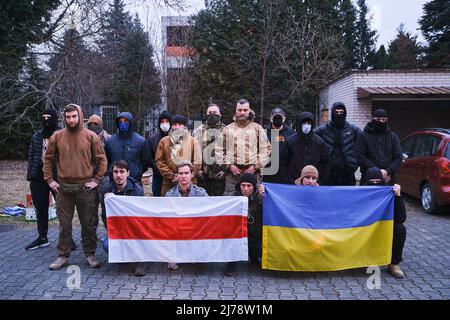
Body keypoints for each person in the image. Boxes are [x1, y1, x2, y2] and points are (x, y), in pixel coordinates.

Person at [43, 103, 107, 270]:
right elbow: (48, 159)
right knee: (64, 224)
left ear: (80, 116)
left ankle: (90, 253)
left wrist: (97, 180)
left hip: (85, 188)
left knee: (88, 223)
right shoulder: (57, 136)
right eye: (68, 117)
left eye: (74, 116)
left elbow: (101, 159)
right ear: (64, 118)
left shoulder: (91, 136)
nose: (71, 120)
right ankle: (62, 255)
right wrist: (50, 180)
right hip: (64, 188)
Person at [25, 108, 78, 251]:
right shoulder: (37, 136)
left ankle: (68, 239)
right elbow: (32, 156)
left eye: (49, 117)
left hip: (58, 177)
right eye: (44, 117)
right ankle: (42, 237)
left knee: (63, 209)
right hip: (38, 177)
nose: (46, 120)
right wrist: (31, 175)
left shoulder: (63, 135)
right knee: (40, 208)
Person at [215, 99, 271, 195]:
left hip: (252, 173)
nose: (242, 113)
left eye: (245, 110)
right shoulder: (227, 129)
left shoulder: (257, 128)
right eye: (239, 110)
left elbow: (266, 149)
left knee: (254, 201)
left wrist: (255, 166)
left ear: (249, 111)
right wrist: (229, 165)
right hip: (232, 174)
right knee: (231, 201)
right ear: (236, 111)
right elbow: (218, 150)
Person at [101, 160, 145, 276]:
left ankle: (139, 262)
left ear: (128, 173)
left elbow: (139, 215)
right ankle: (123, 257)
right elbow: (105, 216)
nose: (118, 175)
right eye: (115, 172)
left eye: (122, 172)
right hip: (117, 229)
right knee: (106, 245)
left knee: (139, 241)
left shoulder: (137, 190)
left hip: (135, 229)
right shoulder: (106, 190)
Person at [165, 160, 208, 270]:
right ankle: (174, 257)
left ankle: (196, 254)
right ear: (177, 175)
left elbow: (208, 216)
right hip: (177, 229)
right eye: (181, 173)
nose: (183, 176)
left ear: (192, 174)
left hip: (195, 228)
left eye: (186, 173)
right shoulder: (169, 195)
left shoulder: (201, 194)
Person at [364, 167, 406, 279]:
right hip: (364, 228)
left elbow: (401, 218)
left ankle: (394, 263)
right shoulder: (360, 194)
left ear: (382, 181)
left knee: (400, 229)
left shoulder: (389, 193)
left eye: (377, 182)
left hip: (383, 226)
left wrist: (398, 197)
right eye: (371, 182)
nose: (374, 185)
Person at [225, 173, 264, 276]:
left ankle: (254, 258)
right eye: (243, 185)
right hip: (236, 235)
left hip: (254, 235)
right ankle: (232, 263)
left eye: (249, 186)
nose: (246, 189)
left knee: (258, 246)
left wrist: (262, 197)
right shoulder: (231, 197)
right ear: (239, 185)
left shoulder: (259, 197)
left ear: (254, 186)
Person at [315, 102, 361, 185]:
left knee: (347, 197)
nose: (339, 114)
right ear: (333, 112)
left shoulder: (354, 130)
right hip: (328, 173)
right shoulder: (322, 130)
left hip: (347, 172)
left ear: (345, 113)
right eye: (336, 112)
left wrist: (354, 163)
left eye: (341, 112)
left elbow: (361, 149)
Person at [155, 114, 202, 196]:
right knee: (168, 207)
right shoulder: (164, 141)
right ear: (171, 126)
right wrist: (172, 176)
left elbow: (197, 162)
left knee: (190, 207)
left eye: (180, 124)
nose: (177, 127)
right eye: (174, 124)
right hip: (169, 183)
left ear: (184, 126)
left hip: (190, 183)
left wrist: (187, 175)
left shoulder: (193, 141)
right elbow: (159, 161)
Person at [280, 111, 330, 185]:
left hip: (314, 184)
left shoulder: (319, 142)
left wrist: (320, 182)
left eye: (309, 123)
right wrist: (289, 181)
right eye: (304, 123)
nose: (306, 126)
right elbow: (282, 163)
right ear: (299, 124)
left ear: (312, 125)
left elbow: (326, 163)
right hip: (294, 184)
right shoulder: (290, 142)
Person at [355, 109, 402, 185]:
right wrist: (377, 172)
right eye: (377, 119)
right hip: (369, 178)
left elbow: (398, 157)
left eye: (383, 120)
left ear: (387, 120)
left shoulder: (393, 136)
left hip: (389, 178)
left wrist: (388, 171)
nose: (380, 122)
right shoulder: (363, 135)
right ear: (372, 119)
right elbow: (359, 156)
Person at [104, 112, 150, 184]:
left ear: (130, 123)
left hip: (134, 182)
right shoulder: (110, 142)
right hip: (114, 183)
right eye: (121, 122)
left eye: (126, 121)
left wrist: (137, 172)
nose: (123, 124)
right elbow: (107, 161)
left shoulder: (141, 141)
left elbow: (146, 162)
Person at [193, 104, 227, 196]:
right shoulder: (198, 132)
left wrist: (225, 170)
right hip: (203, 175)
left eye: (215, 112)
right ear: (206, 114)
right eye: (210, 112)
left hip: (220, 175)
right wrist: (198, 170)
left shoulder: (227, 131)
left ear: (220, 114)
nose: (212, 114)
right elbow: (193, 152)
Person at [87, 114, 111, 230]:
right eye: (90, 125)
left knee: (106, 208)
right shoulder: (85, 138)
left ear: (101, 125)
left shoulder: (109, 139)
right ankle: (91, 235)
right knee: (91, 209)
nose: (92, 126)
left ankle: (109, 233)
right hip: (89, 178)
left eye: (95, 124)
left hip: (104, 178)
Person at [263, 107, 295, 184]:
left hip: (286, 173)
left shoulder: (291, 133)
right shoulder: (264, 133)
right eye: (275, 117)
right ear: (271, 118)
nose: (277, 119)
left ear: (284, 118)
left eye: (280, 117)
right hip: (268, 174)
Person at [148, 111, 172, 196]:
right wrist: (157, 166)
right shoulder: (153, 139)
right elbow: (149, 158)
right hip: (158, 176)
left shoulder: (176, 138)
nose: (165, 124)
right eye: (162, 122)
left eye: (167, 121)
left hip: (172, 177)